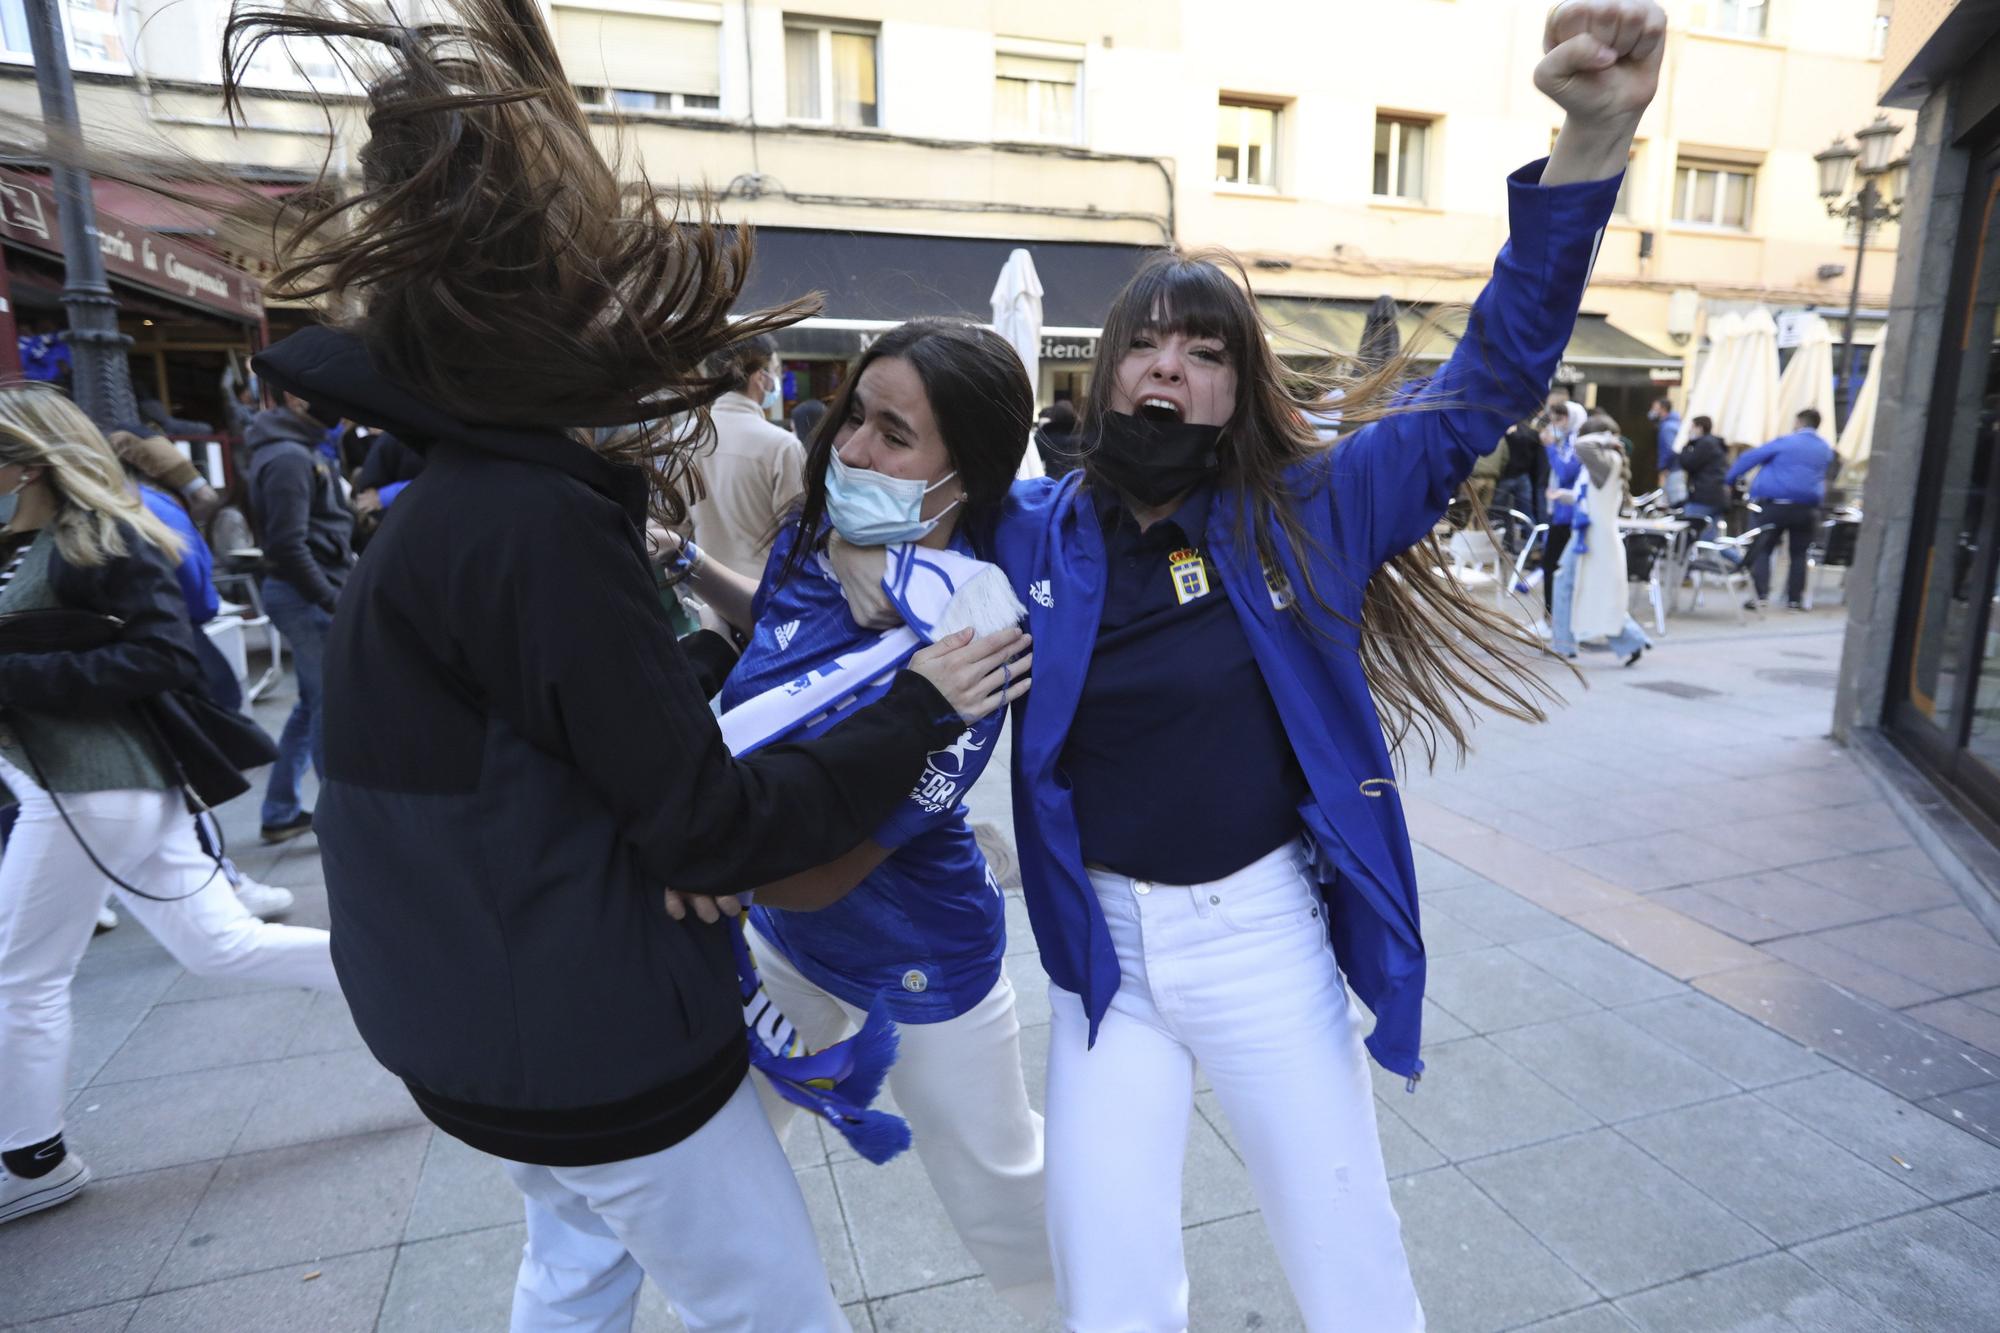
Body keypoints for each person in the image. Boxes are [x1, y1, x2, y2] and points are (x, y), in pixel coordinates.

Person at [833, 8, 1661, 1325]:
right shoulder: (1029, 527)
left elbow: (1496, 370)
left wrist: (1592, 132)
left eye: (1207, 350)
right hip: (1106, 964)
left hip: (1263, 939)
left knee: (1351, 1269)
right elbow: (874, 505)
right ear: (1106, 374)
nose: (1171, 364)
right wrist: (831, 550)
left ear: (1237, 386)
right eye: (1148, 343)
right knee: (1108, 1286)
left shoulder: (1315, 509)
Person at [221, 2, 1030, 1328]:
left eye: (897, 433)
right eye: (854, 424)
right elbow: (704, 824)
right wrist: (879, 726)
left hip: (489, 1034)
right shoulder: (534, 524)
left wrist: (692, 738)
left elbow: (575, 743)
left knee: (576, 1271)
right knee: (774, 1310)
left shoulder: (471, 504)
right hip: (587, 1047)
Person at [668, 320, 1053, 1317]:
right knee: (702, 1177)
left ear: (961, 472)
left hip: (916, 961)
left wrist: (686, 856)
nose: (850, 449)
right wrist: (694, 565)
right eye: (851, 416)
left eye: (892, 433)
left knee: (1008, 1206)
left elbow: (828, 865)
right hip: (781, 940)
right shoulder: (821, 535)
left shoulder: (975, 636)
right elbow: (781, 635)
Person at [0, 385, 338, 1226]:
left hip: (96, 786)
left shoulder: (102, 539)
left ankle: (32, 1158)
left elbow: (159, 657)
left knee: (21, 978)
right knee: (222, 945)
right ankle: (415, 977)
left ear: (31, 462)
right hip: (88, 785)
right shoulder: (31, 540)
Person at [243, 393, 353, 843]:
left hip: (307, 593)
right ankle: (341, 821)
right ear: (295, 400)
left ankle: (282, 810)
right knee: (327, 708)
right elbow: (288, 545)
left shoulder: (296, 450)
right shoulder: (290, 456)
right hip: (305, 596)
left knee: (313, 707)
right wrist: (330, 598)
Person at [686, 334, 808, 579]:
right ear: (758, 377)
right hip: (763, 597)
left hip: (702, 594)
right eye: (774, 371)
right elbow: (797, 538)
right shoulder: (782, 446)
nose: (776, 380)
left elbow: (671, 532)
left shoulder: (682, 440)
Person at [1550, 412, 1652, 665]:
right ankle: (1566, 643)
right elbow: (1586, 497)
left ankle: (1567, 644)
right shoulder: (1605, 461)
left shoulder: (1607, 459)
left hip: (1595, 537)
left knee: (1589, 591)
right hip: (1587, 533)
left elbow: (1581, 445)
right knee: (1581, 588)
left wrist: (1607, 439)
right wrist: (1563, 495)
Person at [1727, 407, 1838, 610]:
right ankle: (1794, 600)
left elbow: (1749, 459)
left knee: (1763, 549)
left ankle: (1760, 595)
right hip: (1807, 508)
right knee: (1799, 553)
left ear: (1799, 423)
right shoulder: (1824, 449)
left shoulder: (1786, 442)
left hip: (1775, 504)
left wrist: (1730, 480)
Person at [1677, 414, 1729, 538]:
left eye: (1692, 427)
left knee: (1692, 535)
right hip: (1717, 496)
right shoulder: (1715, 444)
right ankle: (1740, 558)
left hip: (1703, 496)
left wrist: (1687, 445)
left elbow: (1688, 462)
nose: (1690, 430)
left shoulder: (1705, 444)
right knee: (1712, 539)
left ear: (1700, 428)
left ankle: (1740, 558)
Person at [1035, 400, 1080, 475]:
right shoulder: (1081, 433)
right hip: (1077, 479)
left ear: (1053, 415)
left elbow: (1037, 456)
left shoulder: (1046, 434)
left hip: (1054, 481)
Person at [1649, 392, 1681, 476]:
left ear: (1663, 409)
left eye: (1655, 408)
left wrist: (1664, 467)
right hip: (1674, 468)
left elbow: (1669, 449)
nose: (1652, 411)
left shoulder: (1668, 427)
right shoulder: (1671, 424)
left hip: (1671, 469)